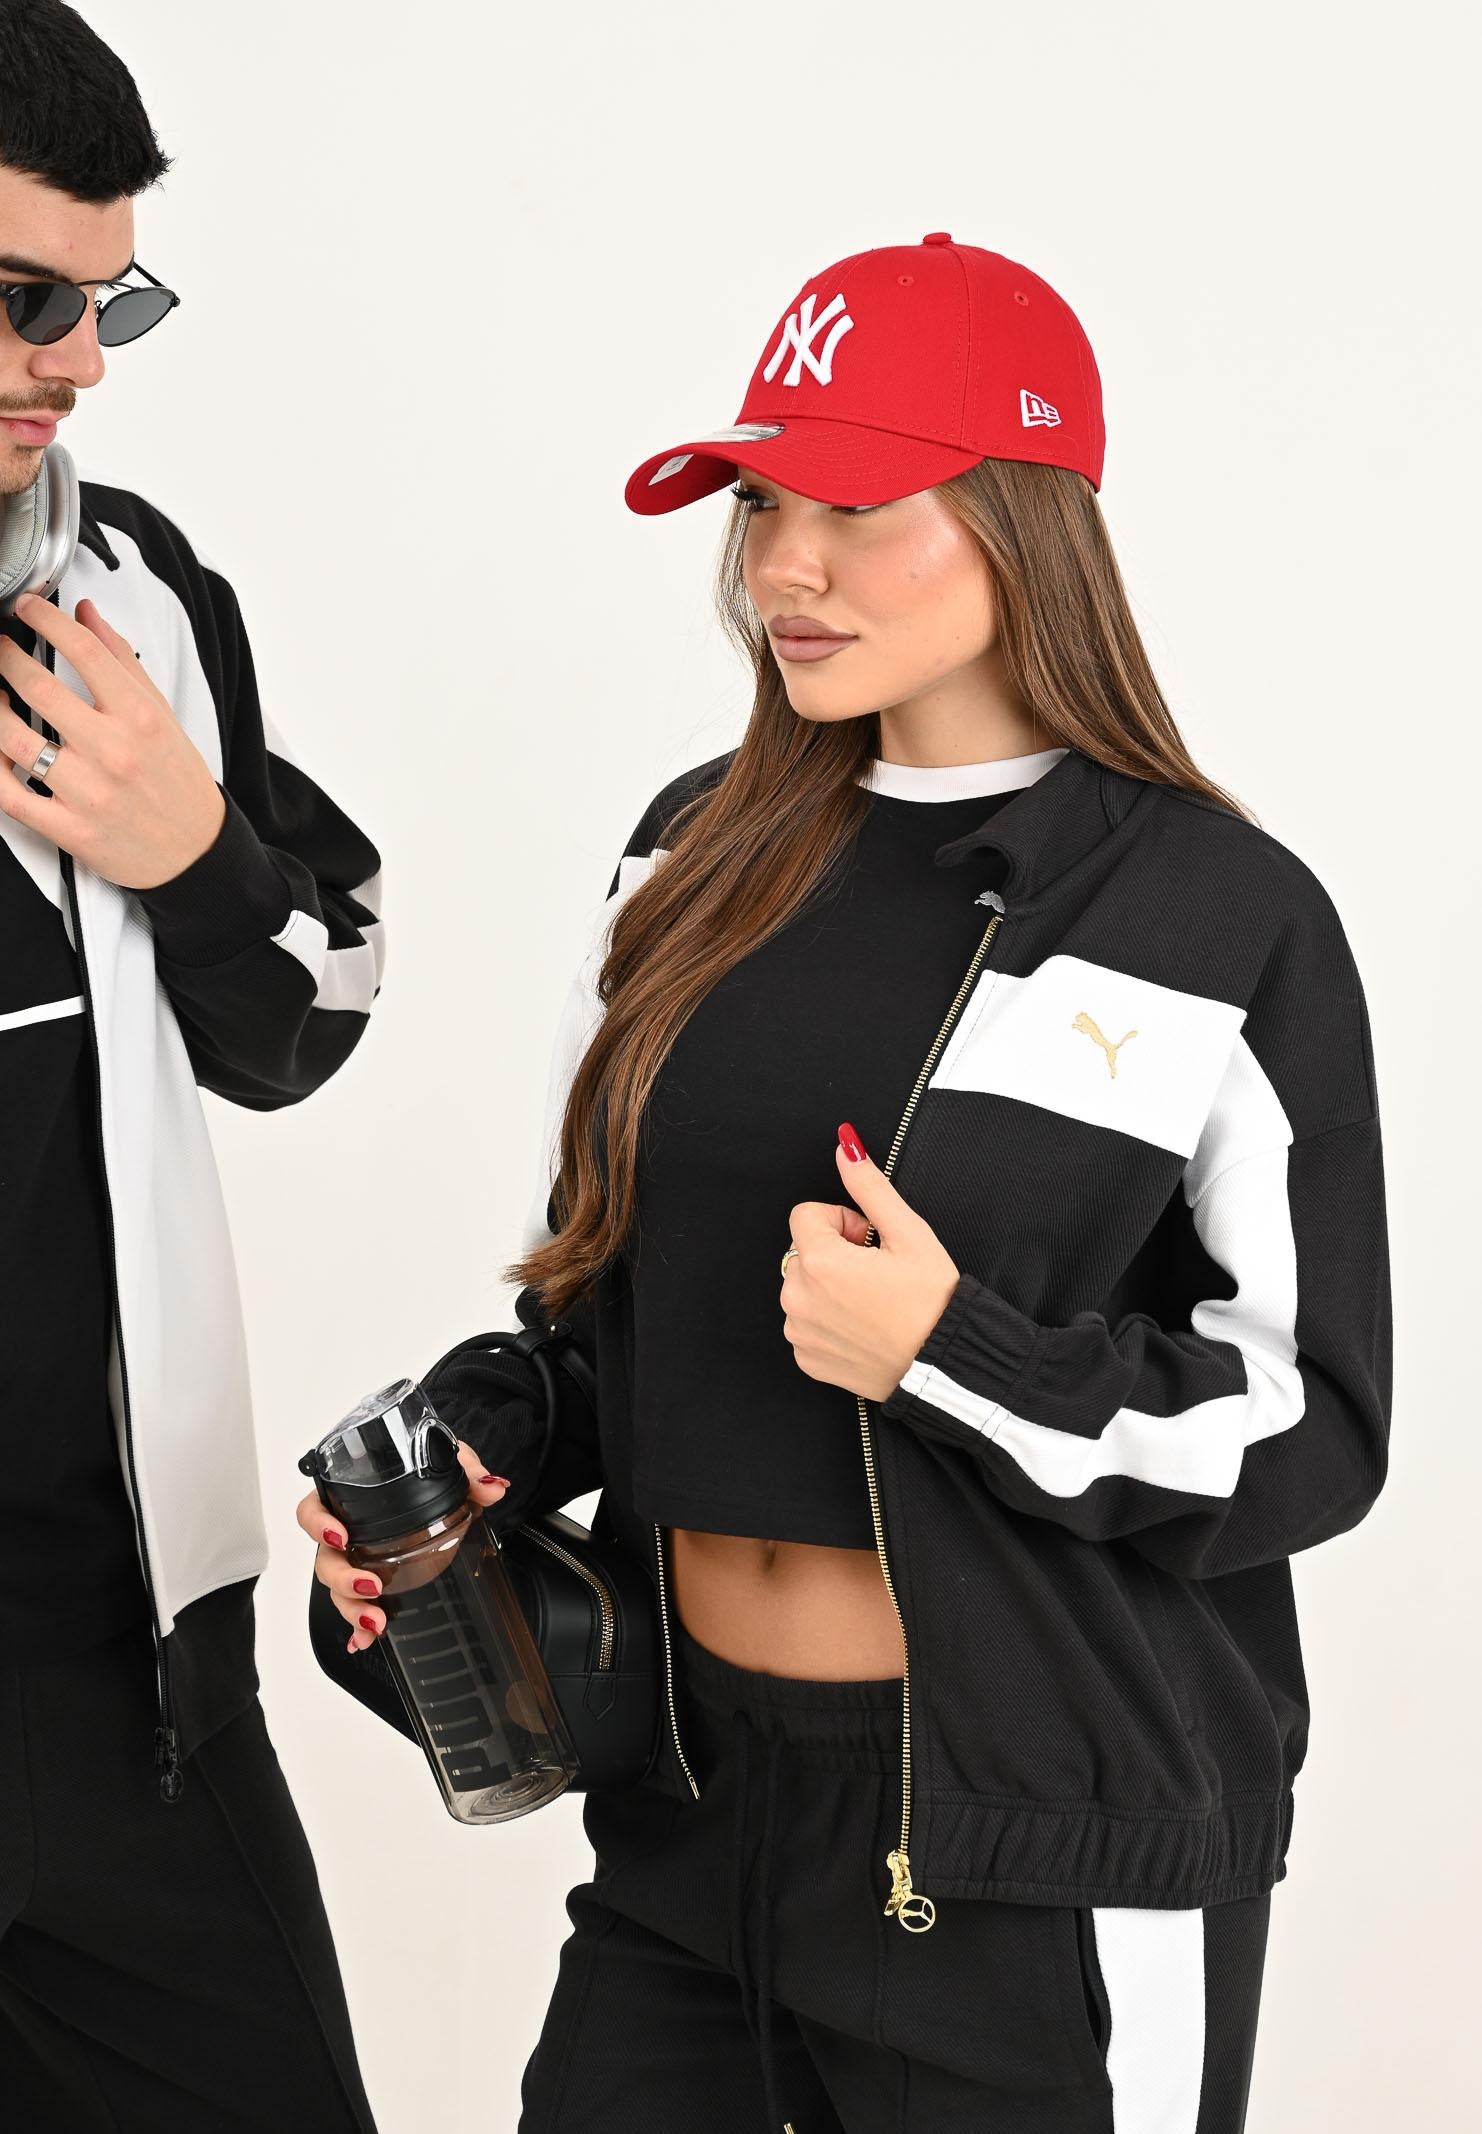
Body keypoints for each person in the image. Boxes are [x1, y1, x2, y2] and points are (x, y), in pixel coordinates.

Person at [303, 233, 1393, 2132]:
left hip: (1033, 1842)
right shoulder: (687, 861)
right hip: (689, 1820)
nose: (781, 568)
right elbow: (602, 1304)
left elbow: (1311, 1423)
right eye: (758, 506)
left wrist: (954, 1351)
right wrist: (478, 1445)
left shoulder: (1216, 916)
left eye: (855, 508)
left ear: (1024, 520)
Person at [0, 6, 384, 2127]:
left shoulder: (139, 597)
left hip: (128, 1679)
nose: (78, 362)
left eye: (106, 300)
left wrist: (195, 853)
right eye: (22, 296)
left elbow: (323, 1006)